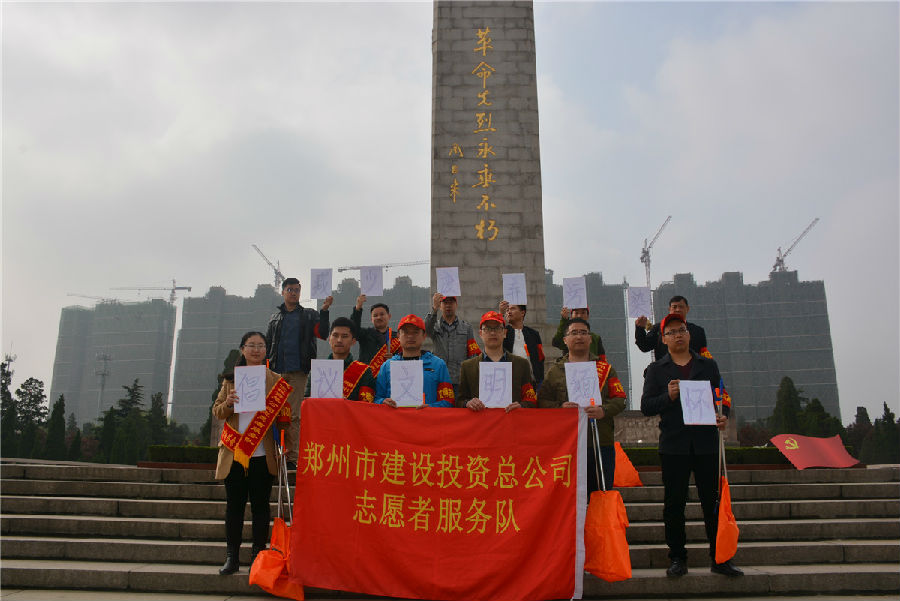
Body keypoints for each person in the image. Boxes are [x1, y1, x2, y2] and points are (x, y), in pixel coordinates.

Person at [640, 313, 742, 578]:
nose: (678, 335)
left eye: (682, 330)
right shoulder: (657, 370)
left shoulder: (707, 365)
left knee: (712, 503)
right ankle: (677, 557)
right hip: (674, 445)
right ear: (663, 339)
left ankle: (720, 558)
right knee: (674, 504)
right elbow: (646, 406)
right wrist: (668, 396)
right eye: (672, 332)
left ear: (689, 335)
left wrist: (722, 414)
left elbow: (721, 396)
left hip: (706, 443)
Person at [213, 331, 292, 575]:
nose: (256, 350)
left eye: (261, 345)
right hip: (235, 453)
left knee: (260, 507)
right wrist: (229, 403)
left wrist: (286, 438)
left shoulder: (276, 381)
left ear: (266, 350)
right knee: (234, 507)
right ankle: (232, 557)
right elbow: (217, 411)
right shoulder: (231, 380)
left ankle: (258, 555)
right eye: (251, 345)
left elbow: (285, 418)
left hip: (262, 454)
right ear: (243, 349)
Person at [538, 318, 626, 494]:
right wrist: (560, 407)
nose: (579, 337)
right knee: (567, 497)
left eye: (583, 332)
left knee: (600, 496)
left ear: (590, 338)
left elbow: (620, 399)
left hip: (600, 442)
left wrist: (603, 410)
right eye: (574, 333)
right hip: (566, 444)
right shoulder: (555, 371)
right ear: (565, 340)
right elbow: (541, 402)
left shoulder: (605, 369)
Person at [265, 277, 331, 466]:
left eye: (296, 290)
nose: (293, 293)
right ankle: (272, 455)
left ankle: (292, 457)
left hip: (298, 371)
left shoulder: (309, 315)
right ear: (283, 292)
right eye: (290, 289)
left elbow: (322, 334)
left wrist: (324, 311)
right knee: (272, 413)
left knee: (293, 415)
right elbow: (268, 344)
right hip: (275, 372)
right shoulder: (275, 318)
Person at [458, 311, 537, 412]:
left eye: (497, 328)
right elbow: (459, 401)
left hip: (512, 420)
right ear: (480, 334)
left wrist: (521, 406)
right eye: (487, 329)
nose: (492, 333)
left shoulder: (522, 364)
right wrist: (467, 403)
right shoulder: (468, 367)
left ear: (504, 333)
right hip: (480, 421)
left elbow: (531, 399)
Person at [374, 314, 455, 408]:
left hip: (428, 417)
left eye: (415, 332)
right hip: (396, 417)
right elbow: (377, 399)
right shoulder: (387, 366)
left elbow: (448, 401)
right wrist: (383, 402)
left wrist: (430, 407)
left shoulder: (438, 365)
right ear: (398, 336)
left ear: (424, 336)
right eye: (405, 332)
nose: (410, 336)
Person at [304, 317, 377, 402]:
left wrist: (345, 403)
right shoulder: (317, 370)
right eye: (335, 335)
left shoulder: (365, 371)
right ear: (329, 339)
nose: (339, 340)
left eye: (344, 336)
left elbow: (367, 405)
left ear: (353, 341)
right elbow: (306, 402)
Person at [425, 293, 479, 393]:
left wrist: (471, 378)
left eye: (451, 302)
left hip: (460, 380)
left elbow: (473, 354)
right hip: (440, 378)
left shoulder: (466, 328)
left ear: (456, 305)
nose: (448, 305)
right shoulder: (435, 326)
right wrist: (434, 309)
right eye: (445, 302)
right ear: (440, 306)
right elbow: (426, 330)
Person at [635, 295, 710, 361]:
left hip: (691, 371)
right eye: (674, 307)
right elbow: (644, 346)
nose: (678, 310)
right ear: (669, 309)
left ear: (687, 309)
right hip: (665, 370)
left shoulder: (698, 331)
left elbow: (703, 355)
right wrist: (639, 328)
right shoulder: (658, 329)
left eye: (681, 307)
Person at [498, 300, 545, 388]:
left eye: (512, 309)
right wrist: (500, 314)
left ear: (522, 313)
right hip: (509, 382)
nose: (509, 312)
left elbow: (540, 358)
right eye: (507, 310)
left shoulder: (533, 334)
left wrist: (540, 381)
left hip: (531, 382)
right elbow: (496, 335)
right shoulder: (503, 332)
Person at [350, 295, 400, 377]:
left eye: (382, 314)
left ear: (389, 316)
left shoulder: (397, 337)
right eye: (375, 315)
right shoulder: (365, 334)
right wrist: (358, 308)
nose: (379, 317)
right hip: (367, 378)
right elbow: (353, 328)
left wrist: (394, 358)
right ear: (371, 319)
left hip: (389, 377)